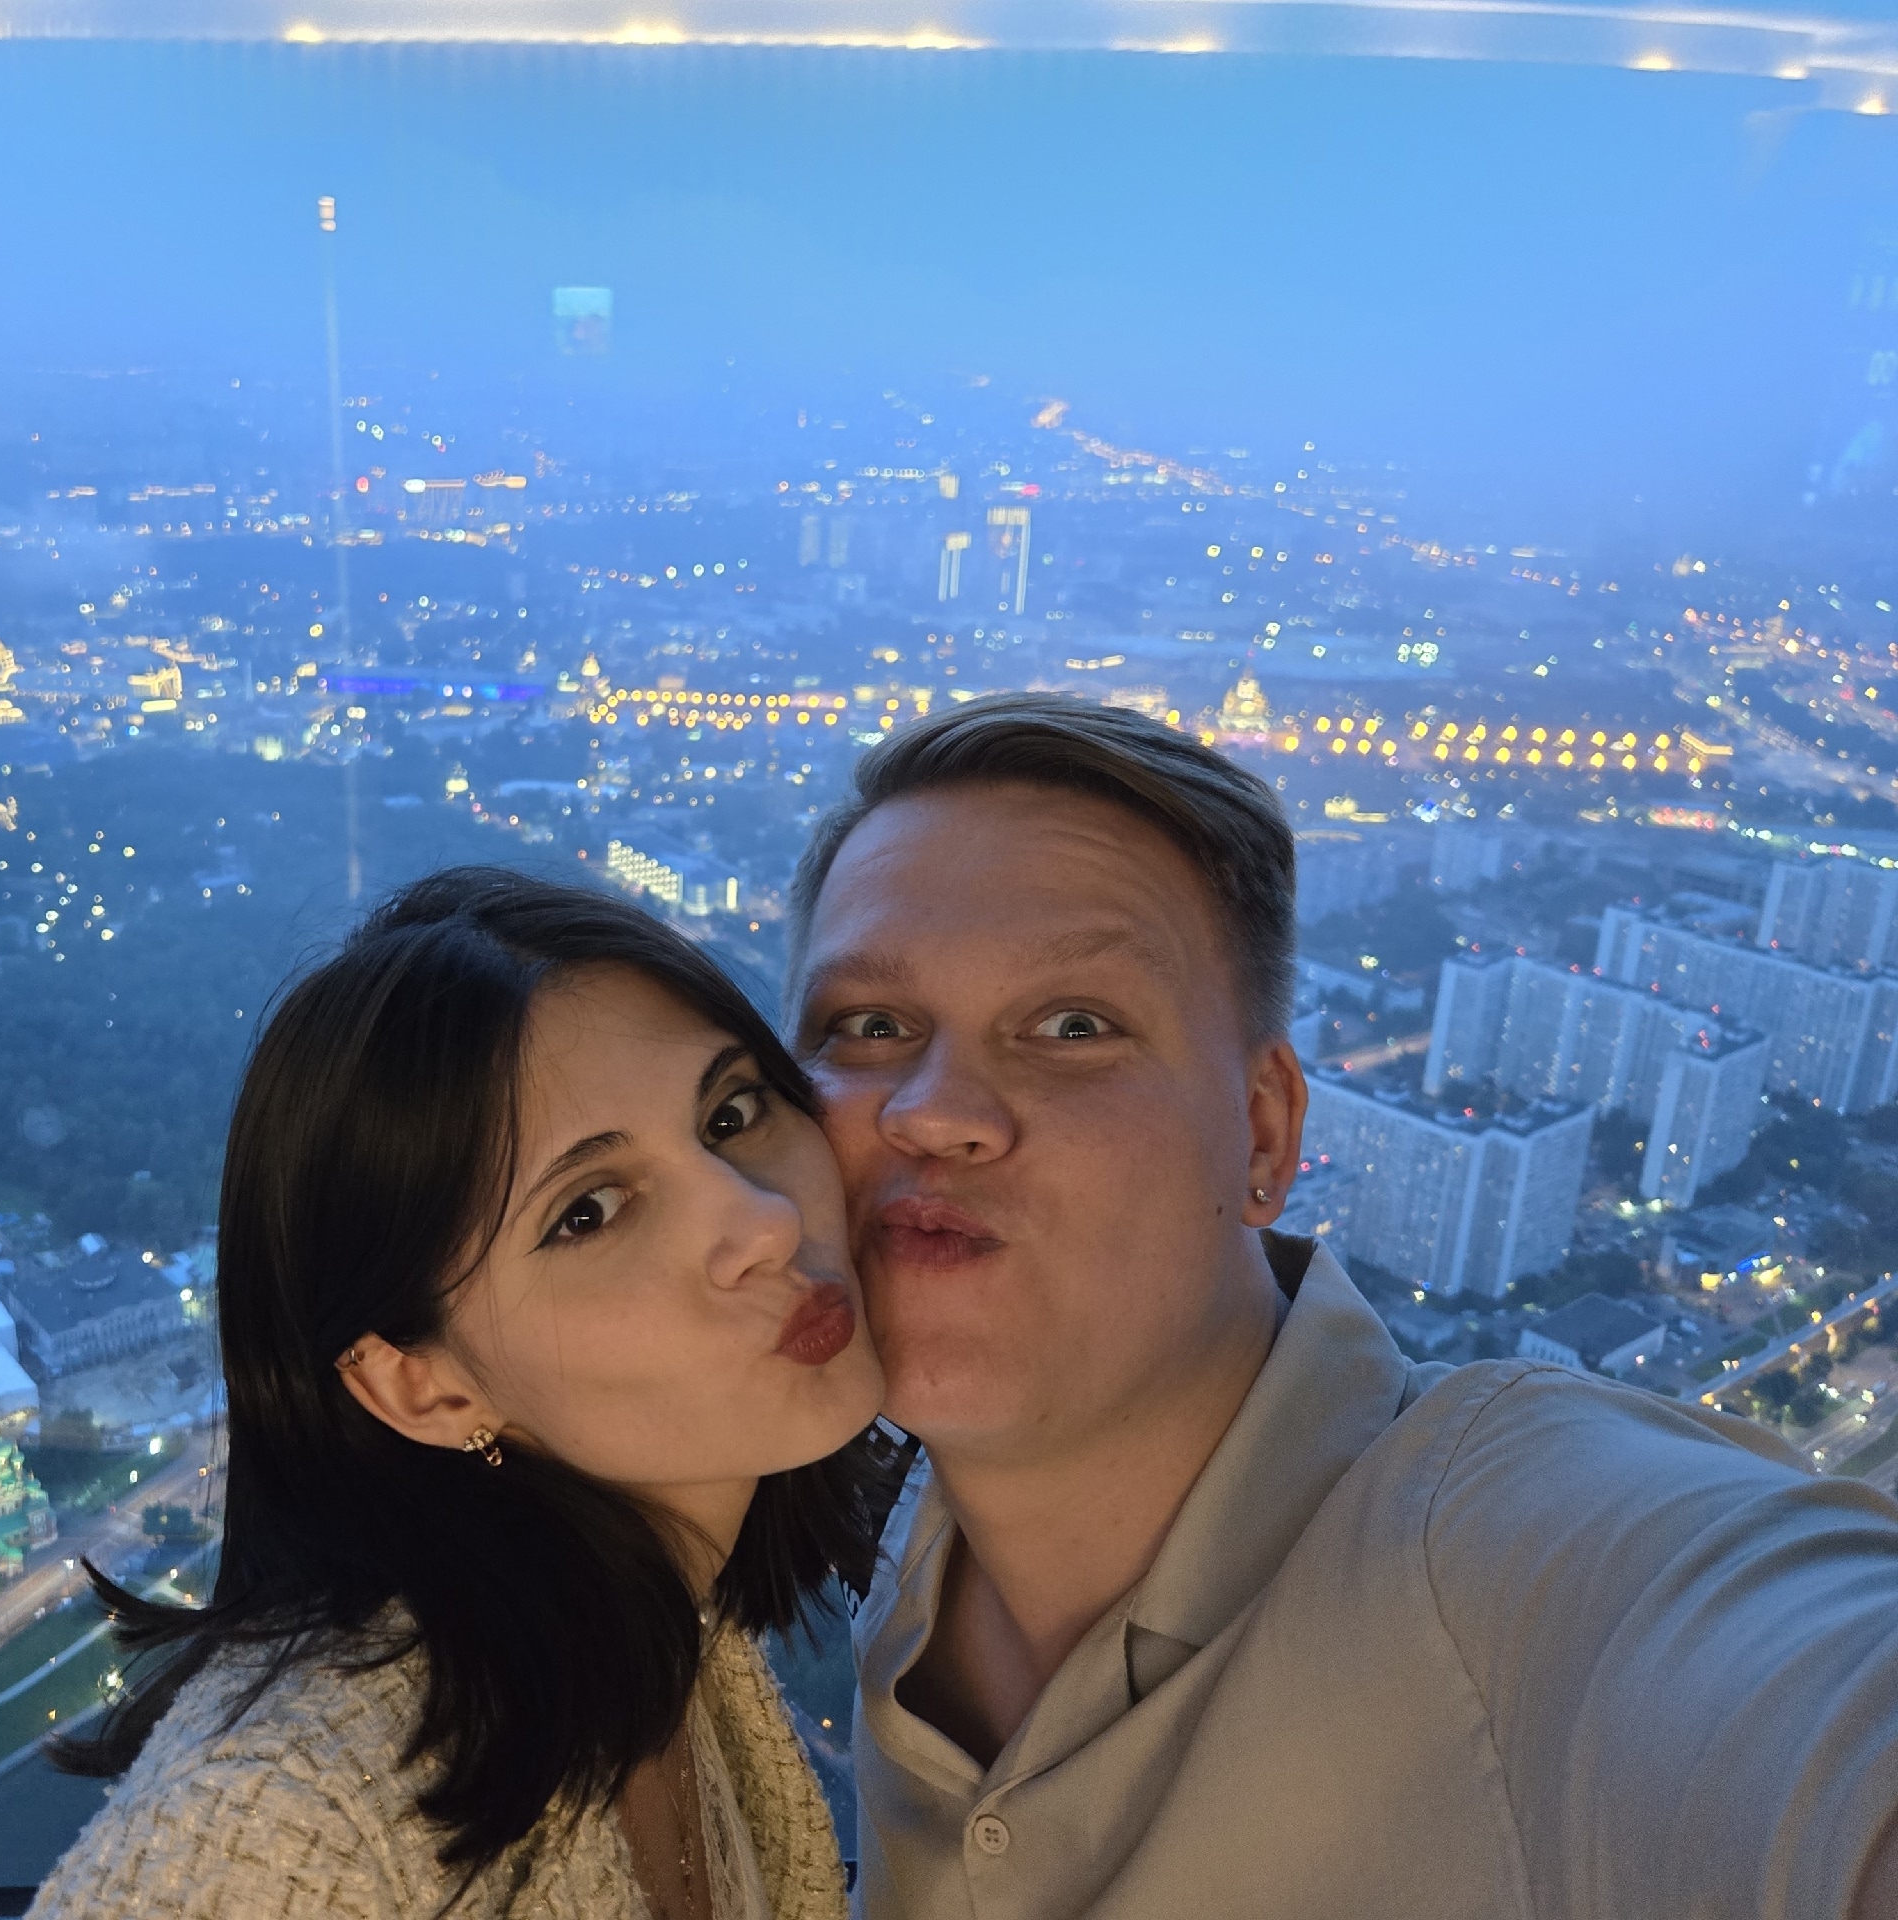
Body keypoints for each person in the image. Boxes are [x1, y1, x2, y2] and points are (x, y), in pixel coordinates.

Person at [788, 693, 1898, 1919]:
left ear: (1263, 1135)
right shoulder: (900, 1552)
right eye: (869, 1025)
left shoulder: (1525, 1570)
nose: (933, 1111)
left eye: (1073, 1025)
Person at [27, 867, 888, 1920]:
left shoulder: (662, 1652)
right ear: (421, 1385)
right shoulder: (281, 1830)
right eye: (589, 1211)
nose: (767, 1222)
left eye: (731, 1113)